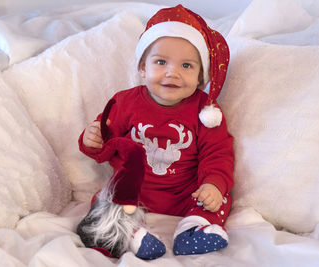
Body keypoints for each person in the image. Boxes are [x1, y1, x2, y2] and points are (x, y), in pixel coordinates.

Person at [78, 4, 234, 259]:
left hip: (187, 193)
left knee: (220, 198)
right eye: (161, 62)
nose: (172, 72)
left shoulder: (206, 111)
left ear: (200, 76)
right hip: (136, 190)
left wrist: (213, 185)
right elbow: (106, 144)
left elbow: (218, 153)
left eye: (186, 66)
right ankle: (130, 233)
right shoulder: (125, 102)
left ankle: (193, 228)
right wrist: (92, 139)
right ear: (142, 68)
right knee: (105, 200)